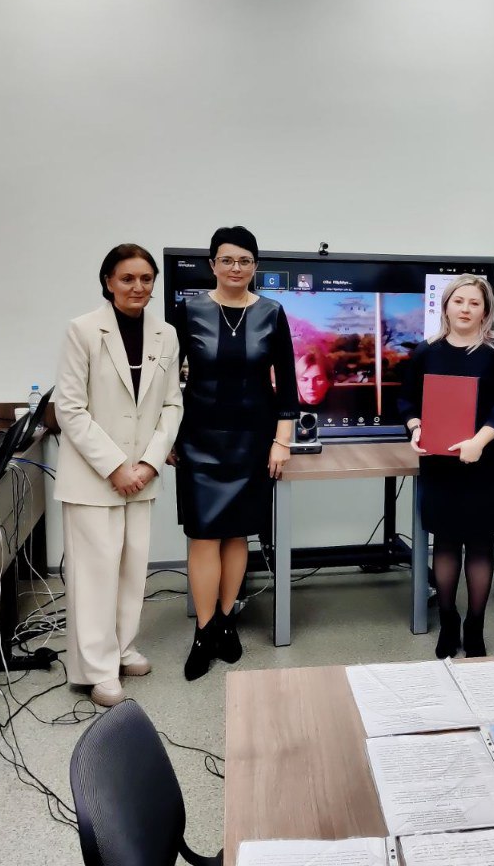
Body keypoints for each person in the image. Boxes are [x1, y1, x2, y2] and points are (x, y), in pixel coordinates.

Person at [54, 244, 183, 708]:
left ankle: (122, 648)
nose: (138, 287)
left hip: (141, 475)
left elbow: (172, 404)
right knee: (95, 576)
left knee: (131, 571)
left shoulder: (166, 334)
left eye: (146, 278)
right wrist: (114, 466)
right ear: (108, 282)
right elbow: (70, 409)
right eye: (128, 278)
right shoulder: (84, 330)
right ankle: (96, 669)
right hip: (95, 477)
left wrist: (148, 463)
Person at [174, 226, 298, 679]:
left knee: (237, 534)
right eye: (227, 260)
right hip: (198, 437)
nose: (236, 268)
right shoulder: (188, 312)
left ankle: (226, 622)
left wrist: (281, 442)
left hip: (253, 439)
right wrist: (166, 439)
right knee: (203, 535)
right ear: (212, 265)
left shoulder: (271, 313)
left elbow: (288, 385)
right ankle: (203, 631)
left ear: (255, 266)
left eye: (244, 261)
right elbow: (165, 384)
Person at [399, 275, 494, 659]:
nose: (466, 309)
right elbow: (406, 400)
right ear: (446, 306)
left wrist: (478, 442)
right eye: (459, 301)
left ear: (486, 311)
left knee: (481, 545)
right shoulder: (426, 351)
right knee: (446, 542)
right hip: (442, 464)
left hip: (488, 462)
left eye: (474, 303)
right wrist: (415, 428)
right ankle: (449, 622)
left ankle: (475, 626)